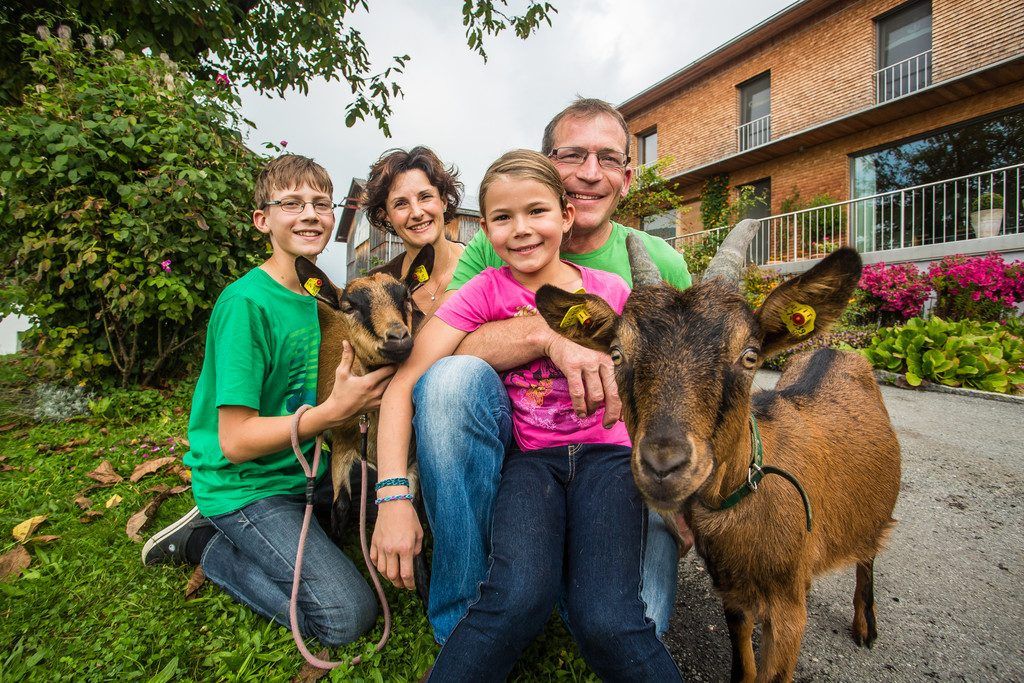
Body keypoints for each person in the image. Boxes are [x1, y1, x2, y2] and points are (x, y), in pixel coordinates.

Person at [374, 98, 693, 644]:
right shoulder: (488, 269)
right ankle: (468, 612)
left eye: (607, 158)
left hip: (612, 459)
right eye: (574, 155)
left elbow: (684, 385)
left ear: (625, 175)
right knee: (449, 383)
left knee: (635, 623)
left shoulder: (650, 268)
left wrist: (682, 493)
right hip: (527, 456)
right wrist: (393, 496)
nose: (591, 172)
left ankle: (571, 581)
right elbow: (422, 375)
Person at [141, 154, 394, 647]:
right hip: (248, 483)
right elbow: (234, 440)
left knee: (407, 509)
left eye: (321, 204)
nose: (310, 215)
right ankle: (205, 543)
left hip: (308, 469)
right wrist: (332, 414)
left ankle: (294, 528)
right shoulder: (246, 305)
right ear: (262, 220)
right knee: (346, 616)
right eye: (291, 203)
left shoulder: (324, 298)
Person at [362, 146, 465, 322]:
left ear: (444, 201)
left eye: (425, 197)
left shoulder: (482, 264)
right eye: (401, 203)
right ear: (385, 215)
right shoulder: (377, 286)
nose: (417, 213)